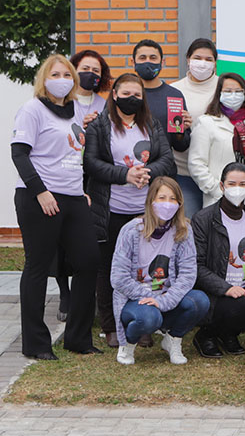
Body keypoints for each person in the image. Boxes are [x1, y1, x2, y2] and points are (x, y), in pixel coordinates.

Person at [12, 55, 101, 359]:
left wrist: (80, 191)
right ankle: (36, 344)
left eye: (67, 74)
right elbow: (20, 155)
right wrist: (41, 192)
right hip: (39, 198)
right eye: (55, 73)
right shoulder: (32, 110)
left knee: (89, 261)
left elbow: (73, 154)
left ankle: (77, 338)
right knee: (37, 267)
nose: (62, 79)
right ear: (44, 78)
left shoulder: (75, 110)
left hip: (74, 198)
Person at [84, 73, 175, 349]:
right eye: (126, 94)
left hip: (144, 211)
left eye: (137, 94)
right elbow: (91, 163)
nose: (132, 99)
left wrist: (146, 173)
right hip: (110, 210)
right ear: (114, 95)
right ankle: (111, 326)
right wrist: (125, 175)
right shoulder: (100, 126)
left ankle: (141, 320)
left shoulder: (151, 124)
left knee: (142, 268)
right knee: (109, 268)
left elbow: (167, 159)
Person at [110, 176, 210, 365]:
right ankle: (128, 344)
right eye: (162, 198)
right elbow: (118, 278)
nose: (167, 203)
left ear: (180, 203)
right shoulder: (130, 231)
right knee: (150, 318)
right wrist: (146, 295)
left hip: (166, 298)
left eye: (173, 199)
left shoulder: (184, 230)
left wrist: (163, 300)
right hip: (135, 300)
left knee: (199, 301)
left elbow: (188, 274)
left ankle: (172, 340)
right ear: (151, 201)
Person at [191, 162, 245, 357]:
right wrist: (225, 288)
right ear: (222, 186)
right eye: (231, 184)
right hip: (215, 291)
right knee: (243, 308)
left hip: (243, 287)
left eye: (242, 184)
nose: (237, 189)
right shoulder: (203, 219)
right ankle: (206, 335)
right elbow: (197, 266)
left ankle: (228, 333)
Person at [51, 49, 111, 322]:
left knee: (86, 238)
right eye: (85, 68)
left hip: (93, 177)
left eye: (97, 71)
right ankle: (65, 292)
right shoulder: (62, 102)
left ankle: (87, 295)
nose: (91, 74)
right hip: (63, 176)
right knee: (60, 239)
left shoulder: (104, 104)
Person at [188, 72, 245, 210]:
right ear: (219, 94)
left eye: (238, 91)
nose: (233, 95)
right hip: (220, 201)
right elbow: (196, 164)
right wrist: (219, 191)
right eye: (228, 91)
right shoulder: (206, 123)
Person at [171, 38, 220, 214]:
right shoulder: (174, 90)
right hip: (184, 173)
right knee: (188, 226)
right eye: (198, 58)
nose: (203, 63)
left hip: (217, 173)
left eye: (208, 59)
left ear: (215, 63)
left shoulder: (224, 88)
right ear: (188, 59)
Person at [132, 39, 192, 154]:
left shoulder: (174, 96)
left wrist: (181, 132)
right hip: (128, 167)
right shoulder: (124, 94)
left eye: (153, 58)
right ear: (133, 62)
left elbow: (181, 146)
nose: (148, 62)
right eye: (142, 58)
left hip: (164, 168)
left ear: (162, 62)